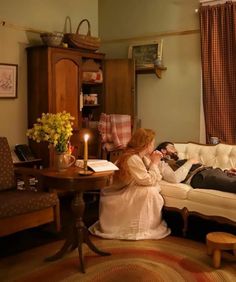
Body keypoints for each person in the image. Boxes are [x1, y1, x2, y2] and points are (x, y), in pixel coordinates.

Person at [89, 128, 193, 240]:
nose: (153, 146)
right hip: (116, 194)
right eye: (152, 143)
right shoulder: (132, 158)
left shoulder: (141, 157)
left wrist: (154, 163)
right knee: (150, 191)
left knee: (151, 190)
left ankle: (147, 225)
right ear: (146, 144)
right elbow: (148, 180)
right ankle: (137, 228)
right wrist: (154, 163)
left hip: (127, 187)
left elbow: (155, 178)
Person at [156, 141, 236, 193]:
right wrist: (190, 161)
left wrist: (226, 171)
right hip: (200, 177)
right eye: (172, 148)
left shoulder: (178, 161)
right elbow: (175, 178)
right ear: (163, 150)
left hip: (212, 171)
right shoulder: (161, 163)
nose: (175, 150)